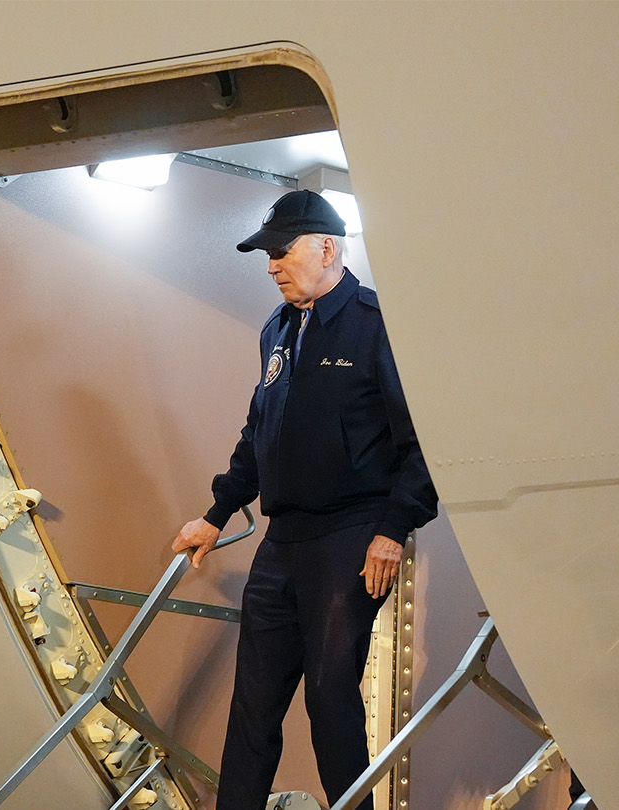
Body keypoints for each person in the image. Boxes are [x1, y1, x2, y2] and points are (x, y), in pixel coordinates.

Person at [171, 189, 438, 810]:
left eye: (280, 252)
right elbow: (257, 433)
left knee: (329, 695)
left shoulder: (377, 325)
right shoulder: (278, 330)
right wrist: (215, 516)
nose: (270, 266)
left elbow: (424, 441)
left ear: (327, 247)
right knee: (254, 704)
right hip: (283, 542)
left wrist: (393, 530)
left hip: (352, 535)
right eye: (266, 255)